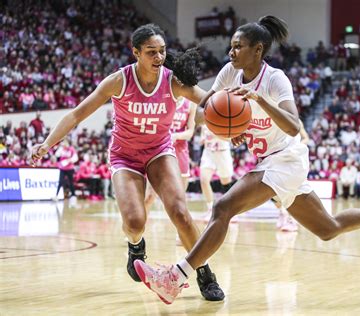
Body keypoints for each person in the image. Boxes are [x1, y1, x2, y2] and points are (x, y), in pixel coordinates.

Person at [133, 16, 360, 304]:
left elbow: (294, 126)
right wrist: (228, 127)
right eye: (231, 47)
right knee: (327, 228)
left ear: (257, 50)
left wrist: (259, 100)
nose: (231, 52)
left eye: (238, 46)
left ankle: (175, 277)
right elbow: (201, 113)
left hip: (286, 159)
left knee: (223, 206)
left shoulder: (274, 78)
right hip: (268, 162)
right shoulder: (228, 74)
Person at [30, 23, 224, 301]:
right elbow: (75, 115)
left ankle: (205, 272)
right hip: (125, 156)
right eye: (151, 52)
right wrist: (46, 144)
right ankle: (135, 245)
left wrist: (228, 112)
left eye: (162, 51)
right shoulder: (119, 81)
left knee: (180, 213)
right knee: (134, 221)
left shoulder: (173, 81)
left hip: (159, 151)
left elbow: (209, 101)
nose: (159, 57)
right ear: (136, 53)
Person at [144, 96, 197, 211]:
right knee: (149, 197)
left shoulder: (190, 104)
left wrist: (175, 136)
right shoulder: (162, 98)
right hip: (159, 149)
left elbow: (190, 132)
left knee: (180, 202)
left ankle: (179, 228)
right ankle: (139, 228)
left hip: (180, 150)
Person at [199, 125, 234, 220]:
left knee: (226, 184)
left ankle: (231, 211)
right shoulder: (205, 122)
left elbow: (230, 139)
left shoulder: (224, 119)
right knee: (204, 180)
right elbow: (202, 139)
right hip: (208, 152)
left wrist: (216, 135)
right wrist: (203, 139)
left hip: (222, 152)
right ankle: (211, 210)